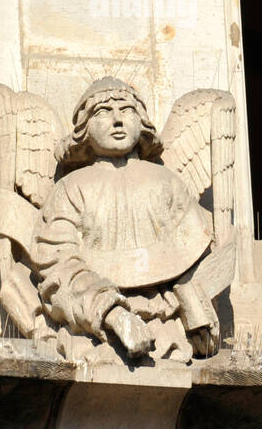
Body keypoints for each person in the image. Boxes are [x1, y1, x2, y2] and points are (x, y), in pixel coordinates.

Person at [31, 78, 219, 364]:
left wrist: (198, 316)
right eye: (103, 111)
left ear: (141, 121)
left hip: (166, 327)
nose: (118, 120)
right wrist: (113, 314)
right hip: (95, 328)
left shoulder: (167, 183)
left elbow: (191, 257)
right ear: (84, 128)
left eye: (128, 110)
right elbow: (57, 267)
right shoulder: (71, 187)